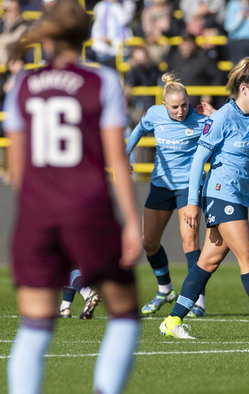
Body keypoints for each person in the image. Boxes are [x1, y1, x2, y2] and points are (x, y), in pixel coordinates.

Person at [4, 1, 141, 393]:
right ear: (85, 37)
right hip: (88, 209)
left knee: (34, 326)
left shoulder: (23, 86)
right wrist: (131, 222)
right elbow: (117, 159)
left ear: (45, 38)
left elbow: (15, 170)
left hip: (36, 213)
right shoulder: (103, 81)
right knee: (125, 313)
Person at [159, 57, 249, 340]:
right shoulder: (222, 118)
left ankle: (172, 320)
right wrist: (191, 202)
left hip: (241, 194)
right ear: (243, 88)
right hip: (219, 192)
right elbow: (197, 161)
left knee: (208, 262)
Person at [126, 72, 209, 318]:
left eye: (184, 105)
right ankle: (165, 290)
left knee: (189, 241)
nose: (181, 111)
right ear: (164, 106)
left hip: (188, 188)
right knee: (148, 242)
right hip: (161, 185)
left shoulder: (200, 120)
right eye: (175, 107)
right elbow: (139, 130)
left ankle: (197, 300)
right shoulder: (154, 114)